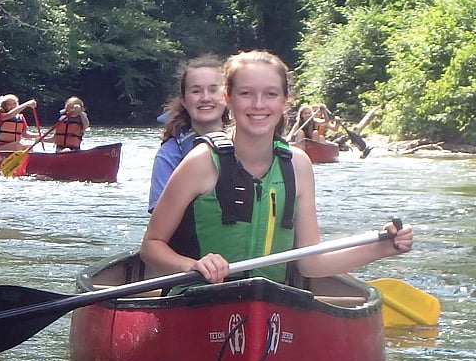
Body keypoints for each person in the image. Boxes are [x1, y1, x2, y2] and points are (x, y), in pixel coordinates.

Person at [140, 50, 413, 288]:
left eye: (270, 94)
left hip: (270, 309)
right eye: (246, 94)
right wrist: (192, 265)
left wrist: (382, 247)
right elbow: (151, 246)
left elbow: (310, 262)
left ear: (285, 101)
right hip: (198, 298)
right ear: (228, 98)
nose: (258, 105)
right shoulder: (200, 161)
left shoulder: (298, 165)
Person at [147, 55, 229, 212]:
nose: (205, 98)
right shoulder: (169, 154)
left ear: (227, 97)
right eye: (196, 91)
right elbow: (159, 217)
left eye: (214, 90)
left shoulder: (245, 143)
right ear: (184, 100)